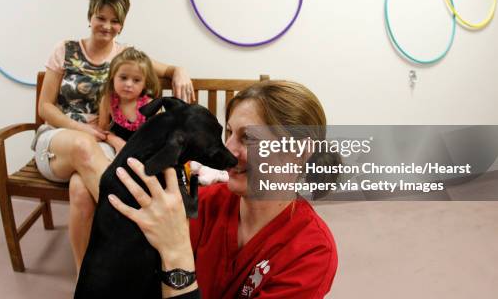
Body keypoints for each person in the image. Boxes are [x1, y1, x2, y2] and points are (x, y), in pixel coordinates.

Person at [108, 80, 340, 298]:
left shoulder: (312, 252)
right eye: (229, 133)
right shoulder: (204, 204)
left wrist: (175, 253)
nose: (228, 150)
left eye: (247, 138)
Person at [32, 0, 194, 273]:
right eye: (101, 18)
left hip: (100, 147)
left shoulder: (125, 56)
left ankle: (87, 277)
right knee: (83, 146)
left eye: (114, 20)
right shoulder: (65, 50)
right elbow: (45, 107)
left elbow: (167, 70)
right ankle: (134, 237)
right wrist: (81, 129)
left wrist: (179, 71)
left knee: (82, 189)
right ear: (90, 16)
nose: (106, 26)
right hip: (58, 143)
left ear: (122, 24)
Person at [98, 47, 161, 154]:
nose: (128, 84)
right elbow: (103, 131)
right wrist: (114, 141)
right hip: (118, 149)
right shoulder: (108, 100)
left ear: (145, 83)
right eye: (123, 78)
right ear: (113, 77)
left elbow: (158, 139)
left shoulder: (151, 105)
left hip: (144, 152)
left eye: (136, 80)